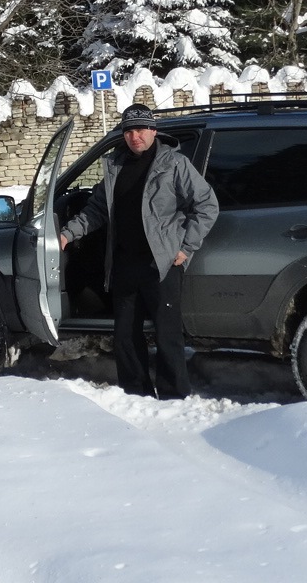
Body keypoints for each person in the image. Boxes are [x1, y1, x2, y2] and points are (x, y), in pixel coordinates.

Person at [58, 104, 219, 399]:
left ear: (153, 131)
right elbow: (96, 211)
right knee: (125, 337)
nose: (135, 136)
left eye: (141, 129)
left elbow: (207, 205)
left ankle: (173, 395)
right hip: (124, 263)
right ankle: (136, 393)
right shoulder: (115, 167)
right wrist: (68, 234)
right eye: (129, 130)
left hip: (162, 263)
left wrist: (186, 248)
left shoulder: (174, 164)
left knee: (167, 334)